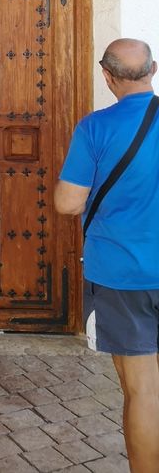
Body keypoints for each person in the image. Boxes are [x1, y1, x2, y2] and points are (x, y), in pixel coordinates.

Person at [55, 38, 159, 473]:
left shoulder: (95, 128)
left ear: (108, 76)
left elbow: (67, 203)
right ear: (153, 70)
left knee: (142, 391)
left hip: (121, 276)